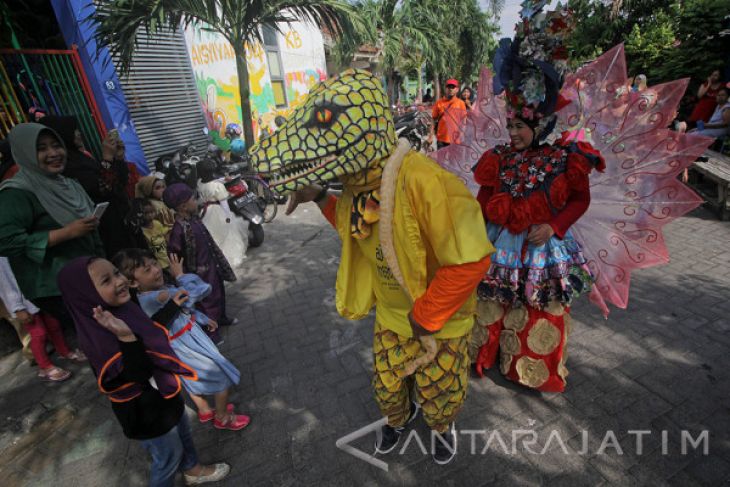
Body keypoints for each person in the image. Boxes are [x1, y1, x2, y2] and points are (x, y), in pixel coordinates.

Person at [251, 69, 495, 465]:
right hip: (391, 318)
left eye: (327, 120)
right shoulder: (356, 186)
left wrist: (429, 313)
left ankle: (440, 426)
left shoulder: (427, 182)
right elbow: (357, 227)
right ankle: (399, 418)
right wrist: (318, 196)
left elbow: (472, 258)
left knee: (440, 396)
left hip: (442, 324)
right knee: (387, 389)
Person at [469, 2, 604, 393]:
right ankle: (487, 353)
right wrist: (472, 238)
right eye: (510, 125)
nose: (512, 133)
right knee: (492, 302)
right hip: (499, 246)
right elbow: (482, 201)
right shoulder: (498, 158)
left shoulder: (565, 159)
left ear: (540, 123)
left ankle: (525, 368)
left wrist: (554, 225)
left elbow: (579, 201)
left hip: (543, 246)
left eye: (520, 127)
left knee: (536, 307)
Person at [58, 256, 231, 486]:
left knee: (183, 433)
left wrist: (172, 307)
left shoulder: (126, 309)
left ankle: (193, 470)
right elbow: (136, 373)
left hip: (164, 395)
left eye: (117, 273)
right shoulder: (99, 336)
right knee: (168, 458)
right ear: (85, 295)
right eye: (106, 280)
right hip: (145, 412)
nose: (119, 281)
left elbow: (152, 330)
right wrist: (126, 338)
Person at [112, 249, 250, 430]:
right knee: (220, 377)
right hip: (187, 345)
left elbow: (183, 310)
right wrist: (181, 275)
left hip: (182, 342)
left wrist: (201, 318)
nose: (156, 270)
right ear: (132, 282)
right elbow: (200, 291)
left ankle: (205, 410)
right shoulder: (158, 296)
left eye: (154, 263)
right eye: (147, 270)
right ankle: (222, 417)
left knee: (190, 377)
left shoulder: (153, 293)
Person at [0, 123, 104, 332]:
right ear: (25, 151)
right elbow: (6, 241)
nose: (53, 153)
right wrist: (66, 233)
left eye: (57, 146)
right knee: (98, 337)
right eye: (41, 148)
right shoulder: (16, 193)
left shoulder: (68, 184)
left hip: (90, 273)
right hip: (54, 285)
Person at [42, 116, 135, 257]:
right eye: (74, 131)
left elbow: (118, 183)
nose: (79, 134)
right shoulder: (67, 165)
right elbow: (102, 188)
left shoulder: (81, 157)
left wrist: (119, 158)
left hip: (118, 220)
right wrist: (107, 158)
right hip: (104, 230)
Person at [163, 184, 237, 340]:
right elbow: (175, 256)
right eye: (193, 199)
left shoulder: (193, 220)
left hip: (212, 265)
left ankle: (222, 318)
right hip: (199, 273)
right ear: (183, 206)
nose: (196, 202)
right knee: (207, 303)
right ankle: (212, 334)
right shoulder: (178, 230)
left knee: (219, 294)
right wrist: (183, 276)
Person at [0, 257, 86, 380]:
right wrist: (18, 308)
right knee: (39, 334)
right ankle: (45, 366)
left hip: (38, 293)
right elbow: (5, 286)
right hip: (24, 304)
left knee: (54, 324)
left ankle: (64, 351)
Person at [197, 159, 248, 268]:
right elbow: (225, 205)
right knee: (227, 233)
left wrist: (222, 179)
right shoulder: (217, 186)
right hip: (218, 210)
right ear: (212, 171)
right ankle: (229, 256)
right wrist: (228, 218)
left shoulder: (200, 183)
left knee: (213, 235)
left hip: (206, 211)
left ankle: (216, 258)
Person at [126, 198, 171, 271]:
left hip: (168, 259)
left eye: (152, 212)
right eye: (146, 213)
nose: (150, 215)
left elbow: (166, 237)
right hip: (158, 263)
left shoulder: (157, 223)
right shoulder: (141, 232)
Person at [432, 79, 467, 148]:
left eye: (453, 87)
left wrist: (462, 134)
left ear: (457, 89)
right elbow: (433, 119)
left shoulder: (461, 103)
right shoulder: (439, 103)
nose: (450, 89)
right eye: (449, 87)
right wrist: (430, 135)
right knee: (441, 159)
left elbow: (464, 121)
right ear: (445, 89)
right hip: (441, 140)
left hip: (455, 140)